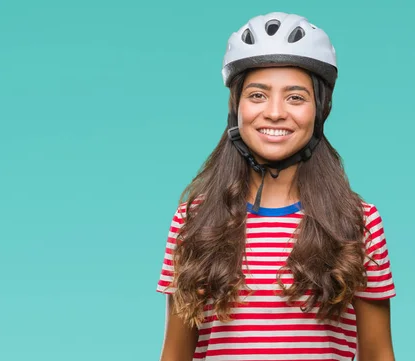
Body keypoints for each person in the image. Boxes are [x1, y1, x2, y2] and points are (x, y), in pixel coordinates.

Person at [156, 12, 396, 361]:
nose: (275, 112)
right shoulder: (194, 221)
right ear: (235, 106)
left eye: (295, 97)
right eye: (257, 95)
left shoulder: (359, 222)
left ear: (320, 109)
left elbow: (378, 354)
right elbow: (174, 355)